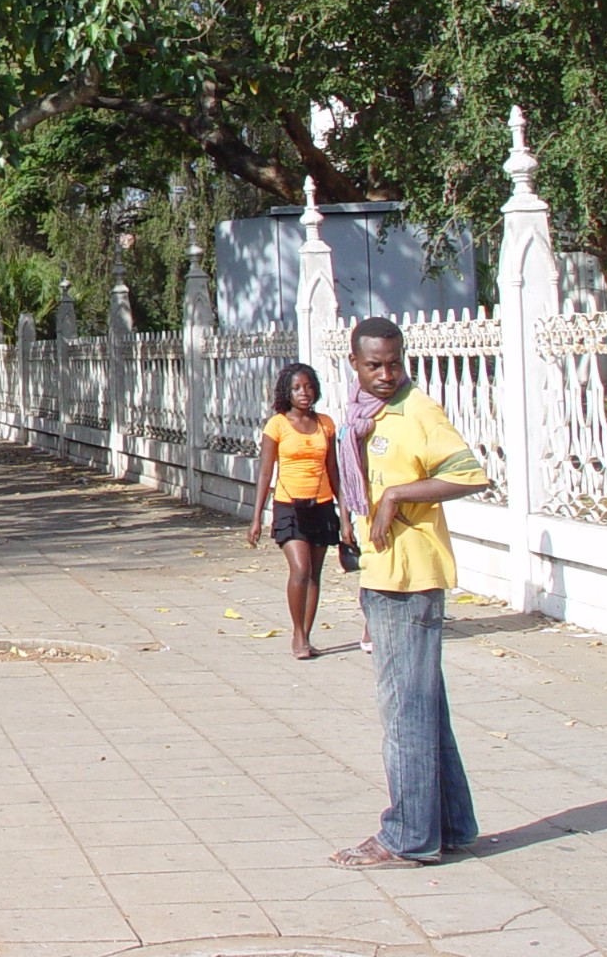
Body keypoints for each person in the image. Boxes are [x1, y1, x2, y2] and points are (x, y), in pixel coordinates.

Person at [330, 315, 489, 869]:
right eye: (374, 364)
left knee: (404, 712)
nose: (386, 373)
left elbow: (470, 475)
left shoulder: (417, 408)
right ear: (354, 363)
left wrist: (399, 495)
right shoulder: (363, 414)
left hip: (411, 576)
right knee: (424, 707)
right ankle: (450, 824)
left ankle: (408, 837)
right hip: (382, 572)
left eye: (395, 363)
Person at [244, 361, 341, 659]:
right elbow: (264, 472)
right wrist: (256, 517)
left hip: (322, 505)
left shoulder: (325, 424)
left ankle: (307, 635)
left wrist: (346, 516)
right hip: (289, 507)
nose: (304, 393)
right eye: (297, 388)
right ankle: (297, 635)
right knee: (300, 569)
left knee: (314, 574)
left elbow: (334, 471)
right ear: (287, 391)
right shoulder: (276, 425)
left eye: (309, 387)